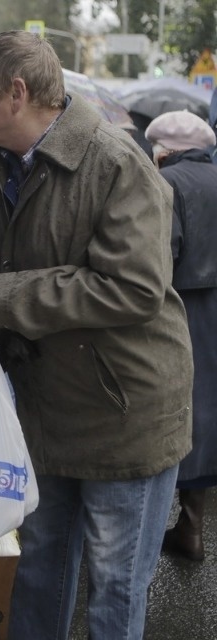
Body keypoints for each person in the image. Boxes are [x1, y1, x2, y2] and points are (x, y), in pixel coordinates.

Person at [0, 31, 193, 640]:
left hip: (122, 412)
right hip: (47, 408)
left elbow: (134, 288)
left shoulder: (115, 162)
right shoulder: (0, 170)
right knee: (40, 570)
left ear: (17, 94)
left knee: (112, 589)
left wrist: (0, 298)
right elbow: (15, 270)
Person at [145, 110, 217, 562]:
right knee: (210, 411)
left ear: (165, 150)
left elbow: (158, 259)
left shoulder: (167, 185)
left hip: (184, 310)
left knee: (176, 411)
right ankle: (192, 525)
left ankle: (165, 532)